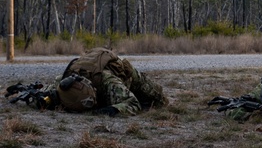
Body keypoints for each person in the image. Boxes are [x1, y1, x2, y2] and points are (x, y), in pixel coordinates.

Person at [6, 47, 168, 116]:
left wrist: (112, 110)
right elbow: (42, 93)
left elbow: (132, 104)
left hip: (126, 75)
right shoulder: (62, 83)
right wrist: (24, 92)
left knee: (160, 100)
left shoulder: (108, 82)